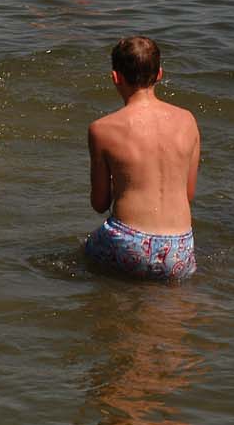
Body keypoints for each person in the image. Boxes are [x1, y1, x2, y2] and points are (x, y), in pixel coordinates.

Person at [83, 37, 201, 281]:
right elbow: (188, 194)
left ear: (115, 77)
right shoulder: (188, 121)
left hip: (129, 243)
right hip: (179, 249)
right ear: (159, 74)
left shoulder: (101, 129)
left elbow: (100, 203)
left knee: (82, 258)